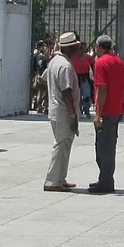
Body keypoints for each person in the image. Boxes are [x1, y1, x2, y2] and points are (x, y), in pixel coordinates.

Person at [89, 35, 124, 194]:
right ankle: (104, 178)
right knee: (109, 145)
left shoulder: (100, 62)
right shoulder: (118, 61)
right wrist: (118, 95)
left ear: (99, 46)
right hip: (117, 109)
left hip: (106, 111)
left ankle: (106, 181)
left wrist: (98, 114)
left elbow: (102, 88)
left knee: (103, 148)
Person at [43, 33, 82, 192]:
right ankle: (52, 181)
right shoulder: (65, 66)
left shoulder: (55, 61)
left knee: (64, 145)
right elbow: (67, 92)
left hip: (55, 109)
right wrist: (72, 115)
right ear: (68, 47)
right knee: (61, 145)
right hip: (63, 111)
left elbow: (43, 79)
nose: (77, 48)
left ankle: (60, 178)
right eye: (75, 46)